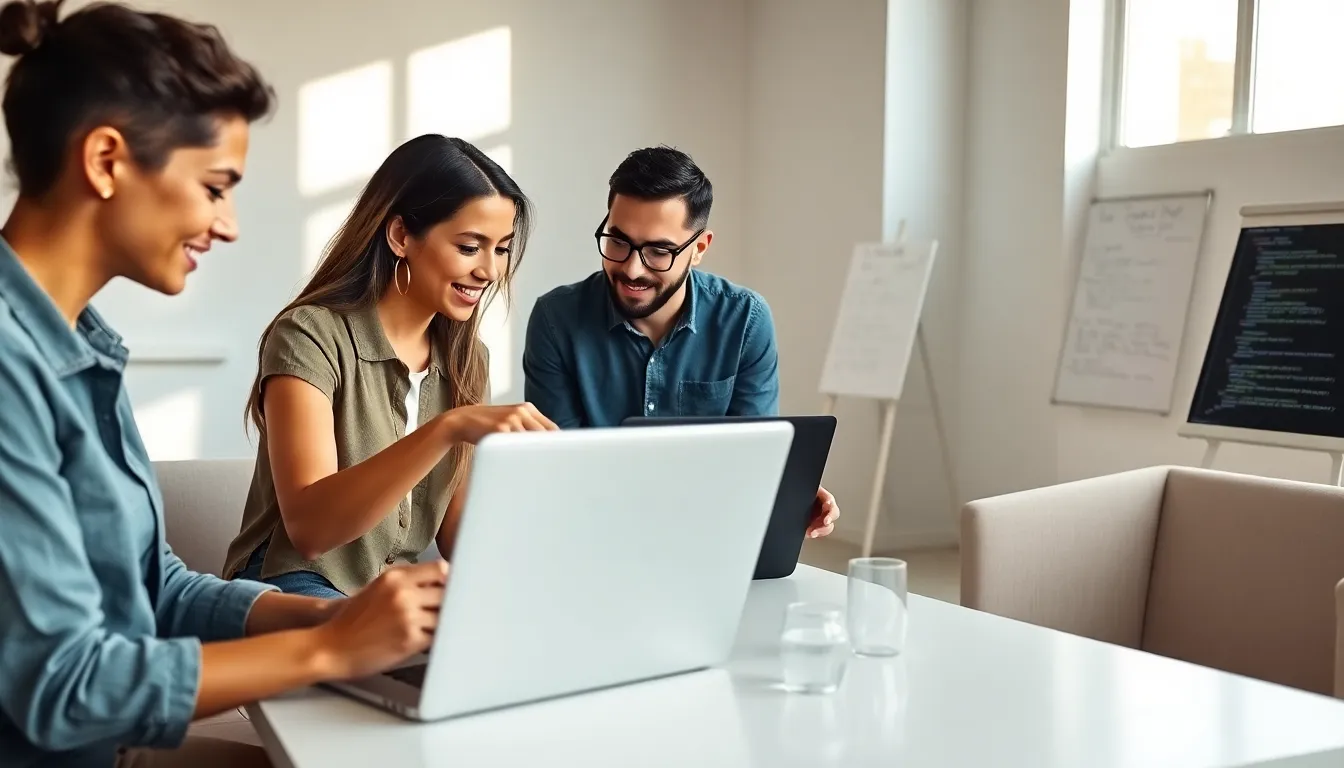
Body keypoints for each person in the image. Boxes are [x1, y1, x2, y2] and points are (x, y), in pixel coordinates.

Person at [0, 3, 452, 766]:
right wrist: (328, 651)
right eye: (215, 186)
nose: (230, 223)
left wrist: (339, 623)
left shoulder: (80, 349)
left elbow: (159, 592)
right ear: (107, 160)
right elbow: (64, 686)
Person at [222, 135, 557, 601]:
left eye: (501, 249)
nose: (490, 271)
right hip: (292, 584)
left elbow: (458, 537)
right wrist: (448, 428)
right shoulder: (309, 334)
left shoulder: (466, 357)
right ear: (401, 236)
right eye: (469, 247)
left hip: (390, 597)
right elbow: (311, 530)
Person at [522, 146, 839, 538]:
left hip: (709, 536)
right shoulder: (556, 320)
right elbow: (559, 471)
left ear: (699, 249)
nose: (632, 268)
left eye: (659, 251)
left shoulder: (745, 321)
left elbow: (751, 463)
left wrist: (786, 493)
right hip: (593, 536)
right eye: (618, 242)